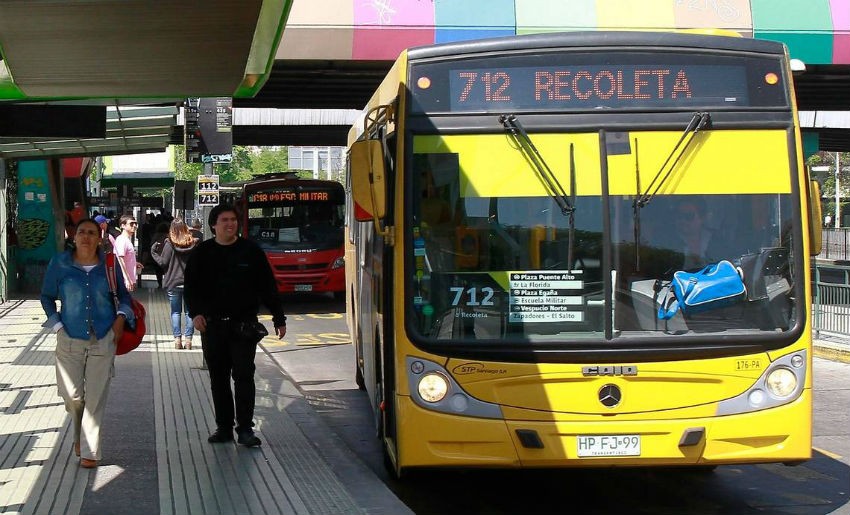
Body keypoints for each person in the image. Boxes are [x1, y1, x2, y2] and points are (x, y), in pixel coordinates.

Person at [185, 204, 287, 447]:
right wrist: (195, 313)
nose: (230, 224)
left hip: (244, 327)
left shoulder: (251, 251)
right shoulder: (202, 253)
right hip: (213, 327)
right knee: (218, 379)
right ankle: (224, 428)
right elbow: (191, 288)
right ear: (213, 225)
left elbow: (267, 286)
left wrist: (278, 317)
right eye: (224, 220)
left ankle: (245, 429)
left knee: (243, 376)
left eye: (233, 220)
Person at [40, 218, 135, 468]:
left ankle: (90, 451)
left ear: (99, 238)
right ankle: (79, 437)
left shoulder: (110, 265)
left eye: (91, 233)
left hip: (103, 337)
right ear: (74, 236)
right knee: (73, 396)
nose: (85, 237)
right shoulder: (59, 263)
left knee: (95, 397)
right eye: (81, 232)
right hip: (69, 337)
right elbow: (47, 296)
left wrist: (120, 319)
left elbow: (125, 297)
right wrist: (58, 325)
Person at [152, 218, 199, 349]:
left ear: (171, 230)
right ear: (185, 228)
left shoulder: (169, 244)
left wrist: (154, 252)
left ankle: (177, 340)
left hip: (173, 283)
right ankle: (189, 340)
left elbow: (163, 263)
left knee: (175, 312)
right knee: (190, 312)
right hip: (190, 284)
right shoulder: (193, 244)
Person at [113, 214, 142, 292]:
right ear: (123, 225)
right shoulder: (122, 240)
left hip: (127, 280)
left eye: (136, 223)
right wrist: (126, 278)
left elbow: (125, 258)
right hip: (123, 281)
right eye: (131, 224)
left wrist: (134, 263)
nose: (135, 226)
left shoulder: (126, 240)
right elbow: (120, 260)